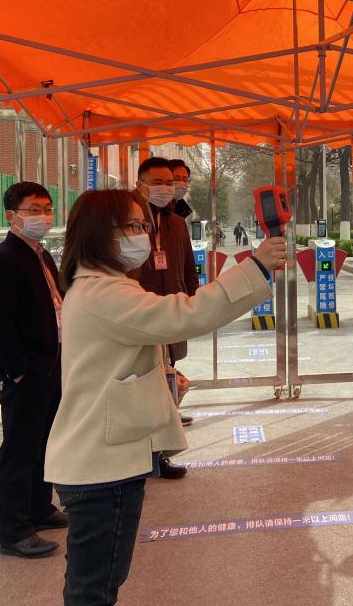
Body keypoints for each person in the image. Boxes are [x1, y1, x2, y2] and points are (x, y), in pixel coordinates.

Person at [45, 189, 286, 606]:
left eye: (145, 225)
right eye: (134, 226)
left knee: (96, 580)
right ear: (100, 232)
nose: (144, 235)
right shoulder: (103, 293)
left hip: (101, 459)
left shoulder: (99, 287)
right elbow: (185, 314)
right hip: (101, 467)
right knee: (94, 589)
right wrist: (256, 267)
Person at [0, 182, 67, 558]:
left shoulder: (41, 255)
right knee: (19, 450)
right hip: (26, 371)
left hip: (51, 363)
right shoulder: (2, 261)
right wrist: (15, 372)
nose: (43, 216)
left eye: (47, 209)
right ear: (11, 216)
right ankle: (14, 532)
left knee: (44, 442)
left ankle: (38, 508)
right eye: (33, 210)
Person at [132, 157, 200, 476]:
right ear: (140, 185)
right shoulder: (130, 221)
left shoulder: (177, 223)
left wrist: (192, 302)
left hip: (171, 311)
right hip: (140, 315)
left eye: (170, 182)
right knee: (144, 386)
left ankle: (159, 454)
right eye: (158, 182)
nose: (167, 188)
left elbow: (188, 268)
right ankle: (142, 454)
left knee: (168, 382)